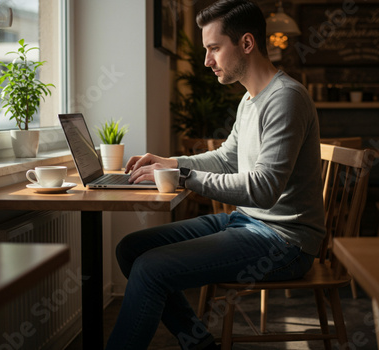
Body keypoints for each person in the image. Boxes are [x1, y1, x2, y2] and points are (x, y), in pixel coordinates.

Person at [105, 0, 325, 349]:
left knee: (150, 269)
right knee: (132, 250)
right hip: (248, 224)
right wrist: (169, 162)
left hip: (284, 243)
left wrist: (182, 176)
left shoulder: (286, 98)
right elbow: (227, 158)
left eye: (214, 49)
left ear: (247, 44)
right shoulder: (250, 99)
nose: (207, 61)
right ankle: (201, 343)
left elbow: (264, 189)